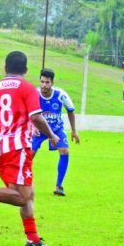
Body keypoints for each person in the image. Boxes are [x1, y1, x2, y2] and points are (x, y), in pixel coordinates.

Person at [0, 51, 59, 246]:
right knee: (21, 196)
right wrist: (52, 135)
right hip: (18, 148)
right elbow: (35, 117)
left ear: (5, 68)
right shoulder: (27, 88)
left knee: (29, 193)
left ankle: (32, 238)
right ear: (26, 70)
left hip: (0, 148)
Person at [31, 68, 80, 196]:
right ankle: (23, 184)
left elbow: (70, 110)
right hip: (40, 129)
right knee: (28, 155)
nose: (44, 85)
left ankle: (58, 186)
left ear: (52, 82)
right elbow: (28, 112)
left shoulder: (61, 95)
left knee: (65, 151)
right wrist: (33, 126)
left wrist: (74, 131)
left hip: (56, 128)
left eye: (47, 82)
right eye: (42, 82)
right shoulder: (34, 94)